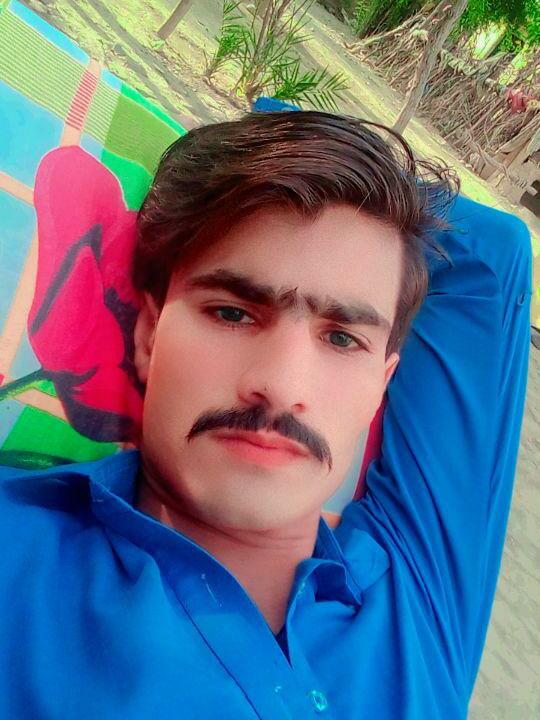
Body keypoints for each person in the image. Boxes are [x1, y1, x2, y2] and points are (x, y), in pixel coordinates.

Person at [0, 111, 532, 719]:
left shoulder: (415, 590)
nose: (281, 388)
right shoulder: (19, 557)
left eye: (342, 339)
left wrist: (287, 133)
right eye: (232, 313)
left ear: (380, 388)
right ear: (148, 335)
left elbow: (491, 252)